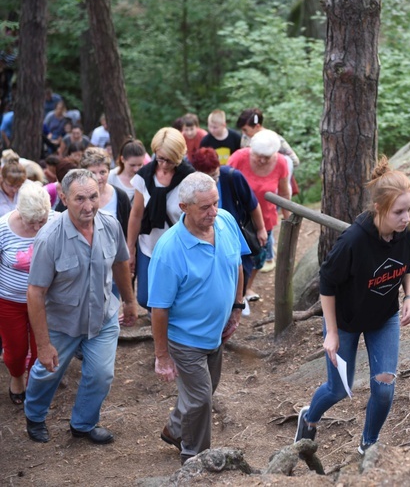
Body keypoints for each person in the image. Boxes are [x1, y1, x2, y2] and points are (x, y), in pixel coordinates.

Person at [294, 157, 410, 455]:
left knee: (384, 386)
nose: (405, 218)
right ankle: (309, 418)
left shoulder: (409, 234)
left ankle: (369, 445)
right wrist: (332, 332)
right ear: (379, 208)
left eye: (409, 209)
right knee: (339, 389)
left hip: (384, 317)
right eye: (398, 212)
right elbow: (327, 281)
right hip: (345, 320)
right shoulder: (353, 240)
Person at [24, 169, 137, 444]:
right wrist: (43, 344)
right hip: (63, 322)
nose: (89, 206)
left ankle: (83, 424)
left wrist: (130, 301)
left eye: (93, 197)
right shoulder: (49, 238)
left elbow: (121, 263)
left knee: (101, 374)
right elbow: (36, 292)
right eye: (79, 199)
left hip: (103, 317)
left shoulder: (110, 224)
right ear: (62, 197)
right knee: (46, 373)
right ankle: (35, 416)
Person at [148, 172, 249, 464]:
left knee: (202, 393)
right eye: (204, 207)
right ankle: (196, 458)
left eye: (215, 203)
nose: (213, 212)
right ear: (184, 208)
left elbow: (237, 263)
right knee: (202, 398)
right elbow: (159, 309)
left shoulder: (226, 221)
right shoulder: (169, 250)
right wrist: (162, 356)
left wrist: (237, 306)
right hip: (185, 339)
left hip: (215, 333)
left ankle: (175, 429)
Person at [190, 147, 267, 306]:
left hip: (235, 231)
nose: (212, 179)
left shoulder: (232, 177)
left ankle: (239, 299)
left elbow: (252, 204)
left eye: (214, 174)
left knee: (242, 267)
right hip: (207, 235)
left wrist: (261, 228)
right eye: (207, 176)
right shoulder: (192, 185)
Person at [127, 127, 194, 310]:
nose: (164, 165)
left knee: (176, 295)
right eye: (160, 158)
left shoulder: (189, 178)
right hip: (149, 245)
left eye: (170, 160)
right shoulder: (144, 176)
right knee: (145, 298)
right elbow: (136, 214)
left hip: (178, 248)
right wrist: (130, 248)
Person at [0, 182, 53, 405]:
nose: (37, 228)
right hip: (10, 301)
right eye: (32, 222)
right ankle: (17, 378)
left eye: (42, 221)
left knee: (42, 345)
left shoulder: (56, 222)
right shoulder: (3, 228)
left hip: (46, 302)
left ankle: (35, 383)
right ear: (20, 212)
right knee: (15, 350)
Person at [227, 129, 290, 285]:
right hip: (238, 219)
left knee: (259, 257)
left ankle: (247, 288)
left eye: (266, 158)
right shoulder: (238, 158)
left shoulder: (281, 162)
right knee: (234, 257)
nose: (262, 160)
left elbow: (284, 193)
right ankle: (235, 292)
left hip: (265, 218)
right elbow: (223, 182)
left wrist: (288, 220)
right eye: (258, 156)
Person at [236, 107, 300, 195]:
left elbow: (294, 160)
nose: (243, 133)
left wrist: (277, 171)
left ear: (257, 126)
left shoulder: (274, 140)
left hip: (272, 189)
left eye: (245, 130)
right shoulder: (246, 138)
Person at [109, 138, 147, 204]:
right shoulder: (111, 177)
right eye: (132, 165)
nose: (136, 169)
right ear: (122, 159)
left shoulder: (146, 178)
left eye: (140, 165)